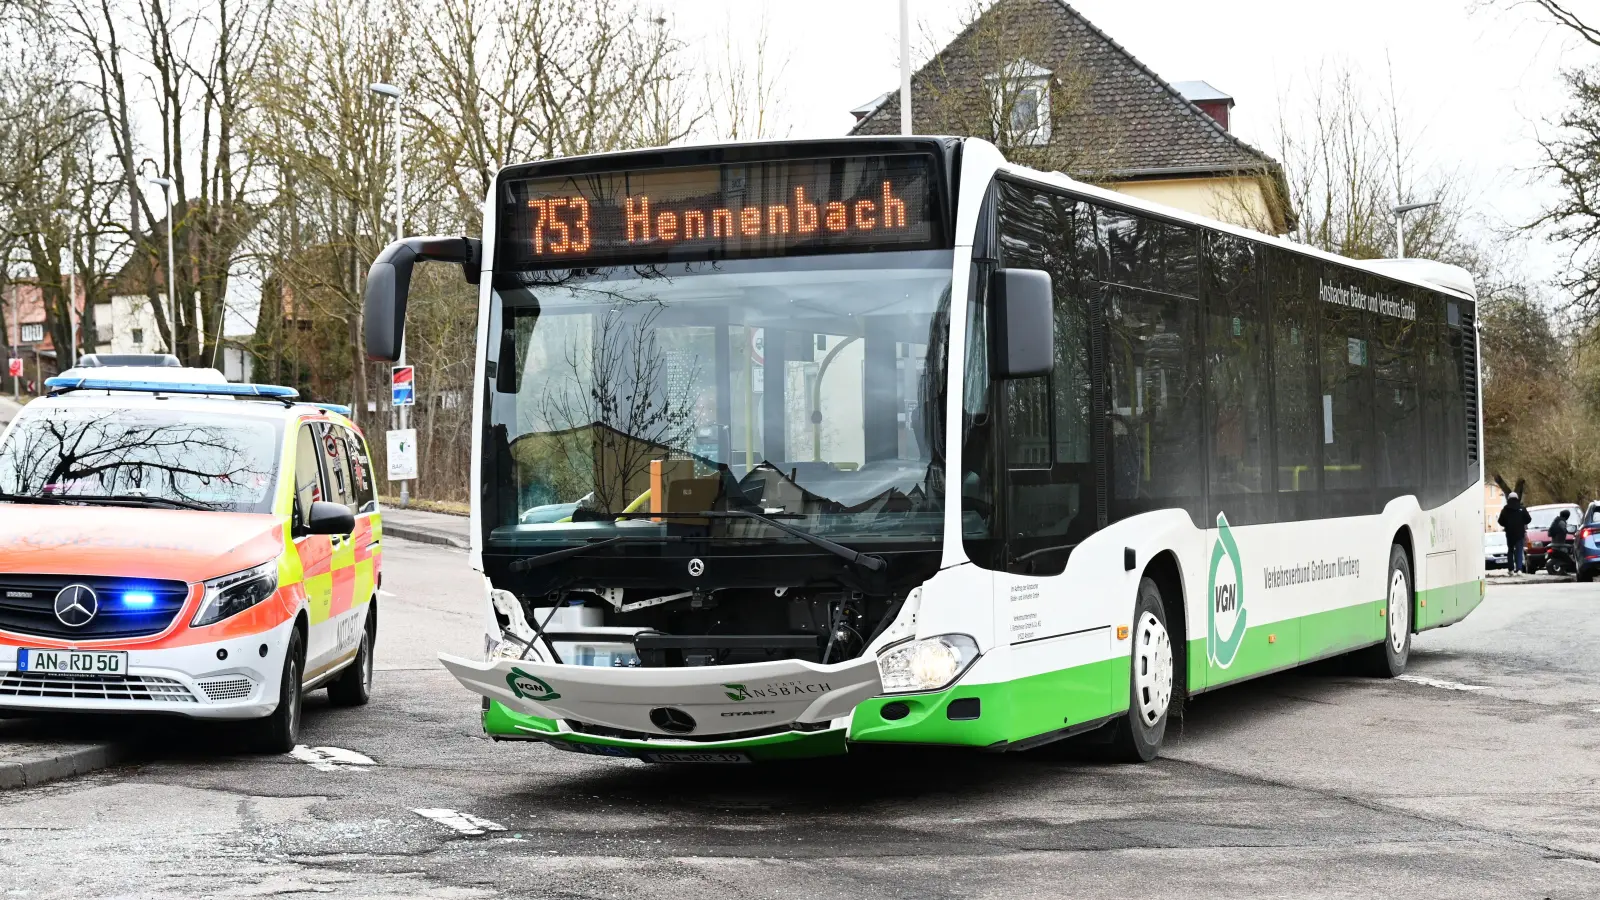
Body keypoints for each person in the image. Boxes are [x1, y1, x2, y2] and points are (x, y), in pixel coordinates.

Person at [1498, 492, 1532, 575]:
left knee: (1510, 550)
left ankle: (1511, 570)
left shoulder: (1505, 509)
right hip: (1519, 533)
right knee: (1519, 550)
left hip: (1509, 533)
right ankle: (1519, 569)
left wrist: (1507, 524)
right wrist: (1521, 522)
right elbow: (1528, 519)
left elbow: (1500, 521)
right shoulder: (1521, 508)